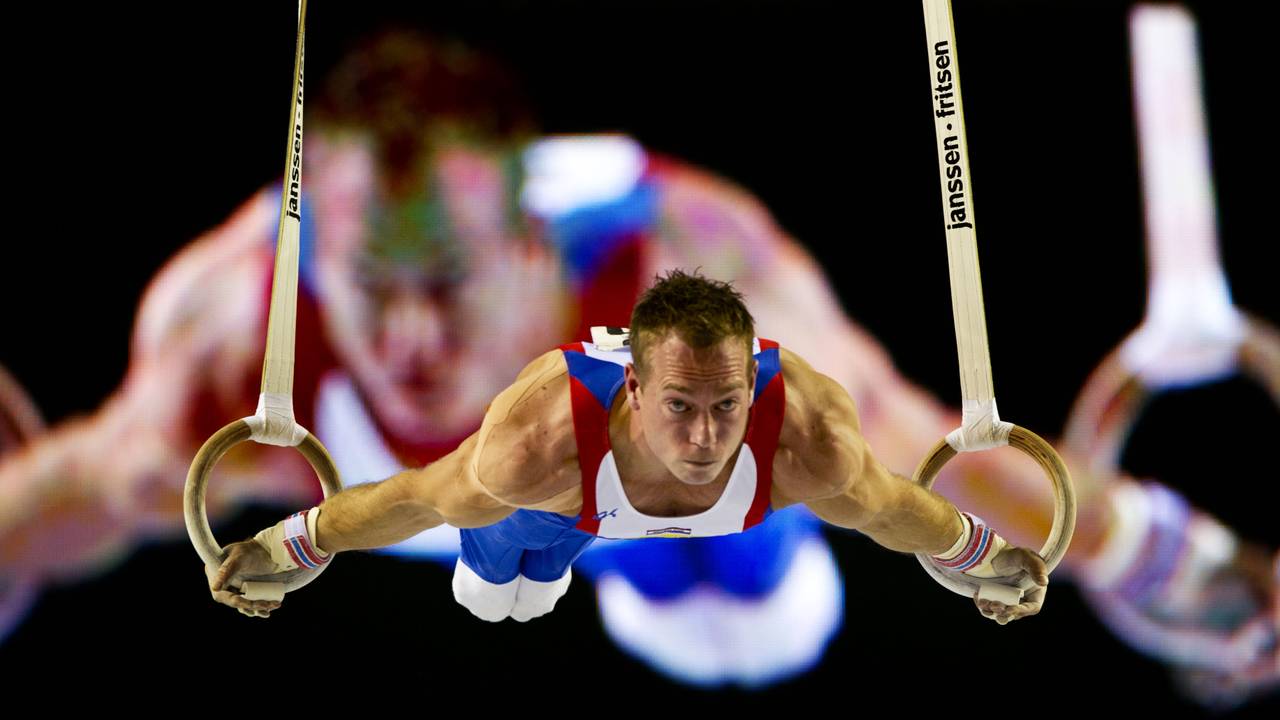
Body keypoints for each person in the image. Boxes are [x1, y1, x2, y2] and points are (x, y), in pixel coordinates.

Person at [1, 27, 1273, 702]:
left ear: (529, 247)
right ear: (321, 267)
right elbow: (64, 499)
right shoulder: (241, 343)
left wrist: (1161, 556)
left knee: (750, 615)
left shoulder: (690, 270)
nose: (408, 341)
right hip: (486, 498)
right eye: (371, 289)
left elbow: (922, 457)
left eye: (444, 286)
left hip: (676, 481)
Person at [207, 270, 1051, 629]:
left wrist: (990, 556)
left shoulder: (808, 438)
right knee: (496, 598)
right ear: (635, 391)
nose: (706, 436)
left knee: (773, 575)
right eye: (680, 405)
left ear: (752, 388)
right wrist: (286, 546)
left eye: (727, 405)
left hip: (612, 503)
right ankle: (533, 568)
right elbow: (413, 498)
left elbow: (897, 510)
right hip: (558, 505)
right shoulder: (537, 445)